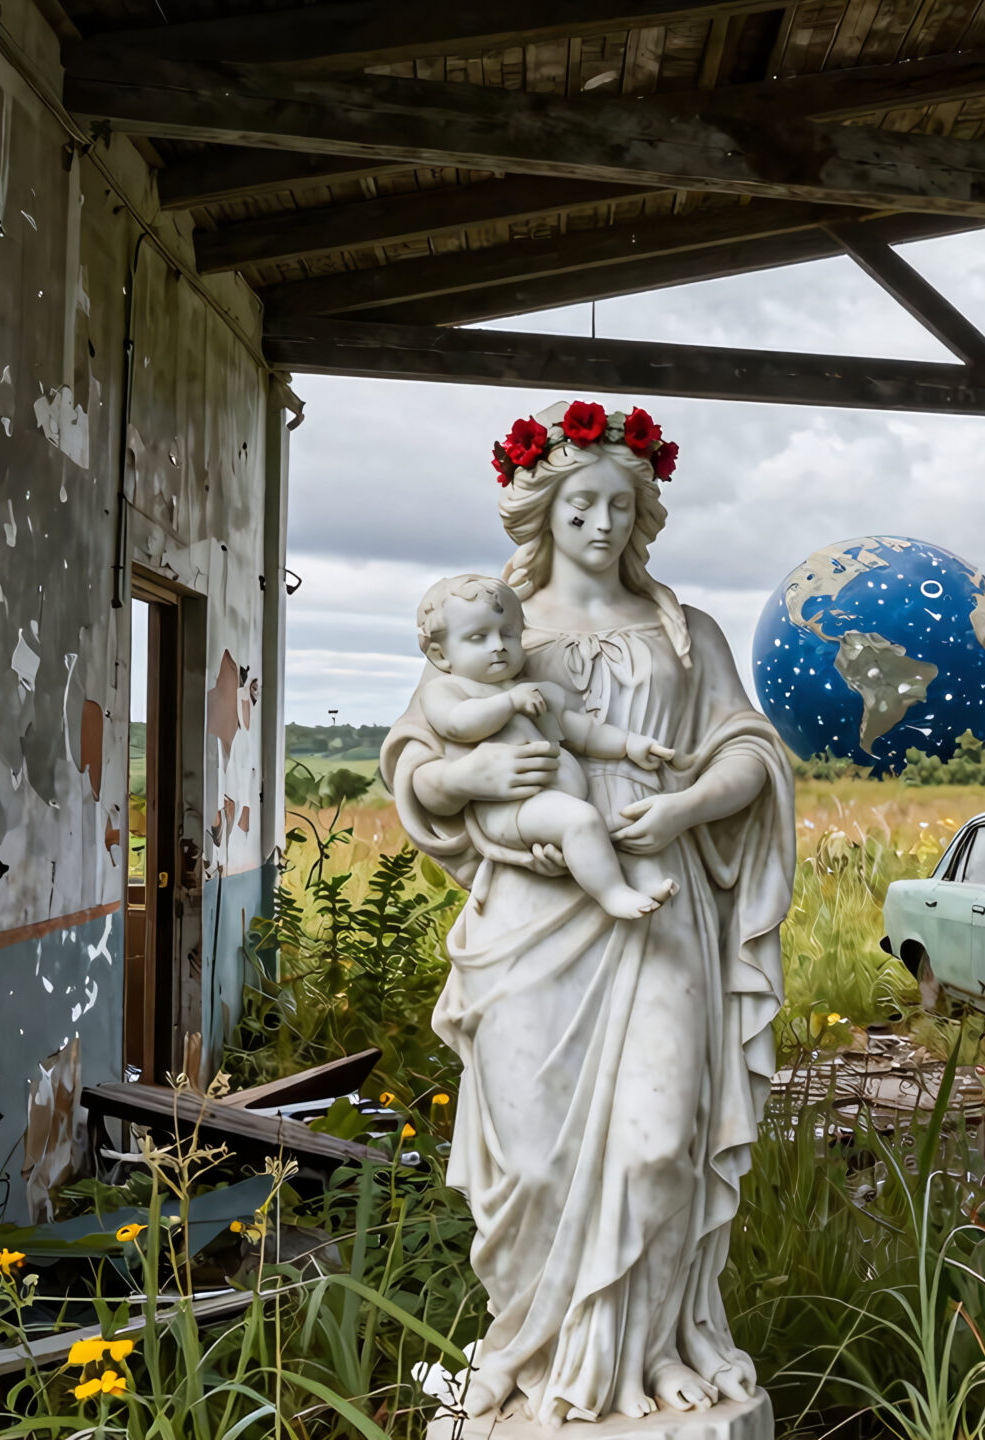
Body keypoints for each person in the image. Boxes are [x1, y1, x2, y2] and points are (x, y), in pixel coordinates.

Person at [383, 401, 792, 1425]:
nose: (603, 525)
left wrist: (689, 804)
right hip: (527, 913)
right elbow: (418, 773)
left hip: (655, 906)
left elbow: (750, 752)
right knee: (530, 1163)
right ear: (541, 510)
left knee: (660, 1142)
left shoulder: (684, 635)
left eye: (622, 505)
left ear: (646, 514)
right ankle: (535, 1351)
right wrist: (471, 769)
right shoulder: (489, 634)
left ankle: (651, 1353)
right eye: (583, 506)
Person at [410, 572, 678, 920]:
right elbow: (458, 723)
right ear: (440, 655)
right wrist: (509, 703)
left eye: (508, 634)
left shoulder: (530, 691)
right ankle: (614, 894)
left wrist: (628, 745)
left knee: (614, 823)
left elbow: (582, 732)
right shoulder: (449, 690)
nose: (498, 645)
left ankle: (634, 886)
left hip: (549, 802)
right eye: (478, 637)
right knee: (579, 820)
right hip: (510, 810)